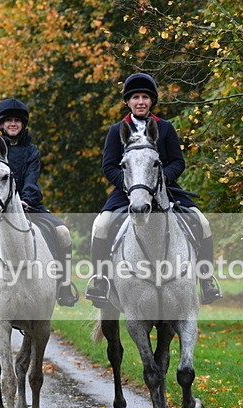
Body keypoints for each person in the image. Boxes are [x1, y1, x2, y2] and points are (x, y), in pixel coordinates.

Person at [85, 72, 221, 306]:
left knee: (202, 222)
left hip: (166, 190)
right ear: (127, 101)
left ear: (152, 101)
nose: (140, 102)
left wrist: (161, 179)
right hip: (126, 191)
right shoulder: (116, 130)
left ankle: (206, 279)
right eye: (135, 97)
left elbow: (178, 161)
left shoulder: (165, 128)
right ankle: (100, 280)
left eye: (145, 97)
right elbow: (108, 166)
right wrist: (131, 185)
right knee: (102, 224)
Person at [0, 98, 78, 309]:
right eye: (8, 120)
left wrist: (26, 199)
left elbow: (31, 179)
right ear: (0, 124)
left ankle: (63, 286)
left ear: (23, 124)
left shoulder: (32, 151)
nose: (12, 124)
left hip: (29, 205)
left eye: (17, 120)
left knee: (63, 232)